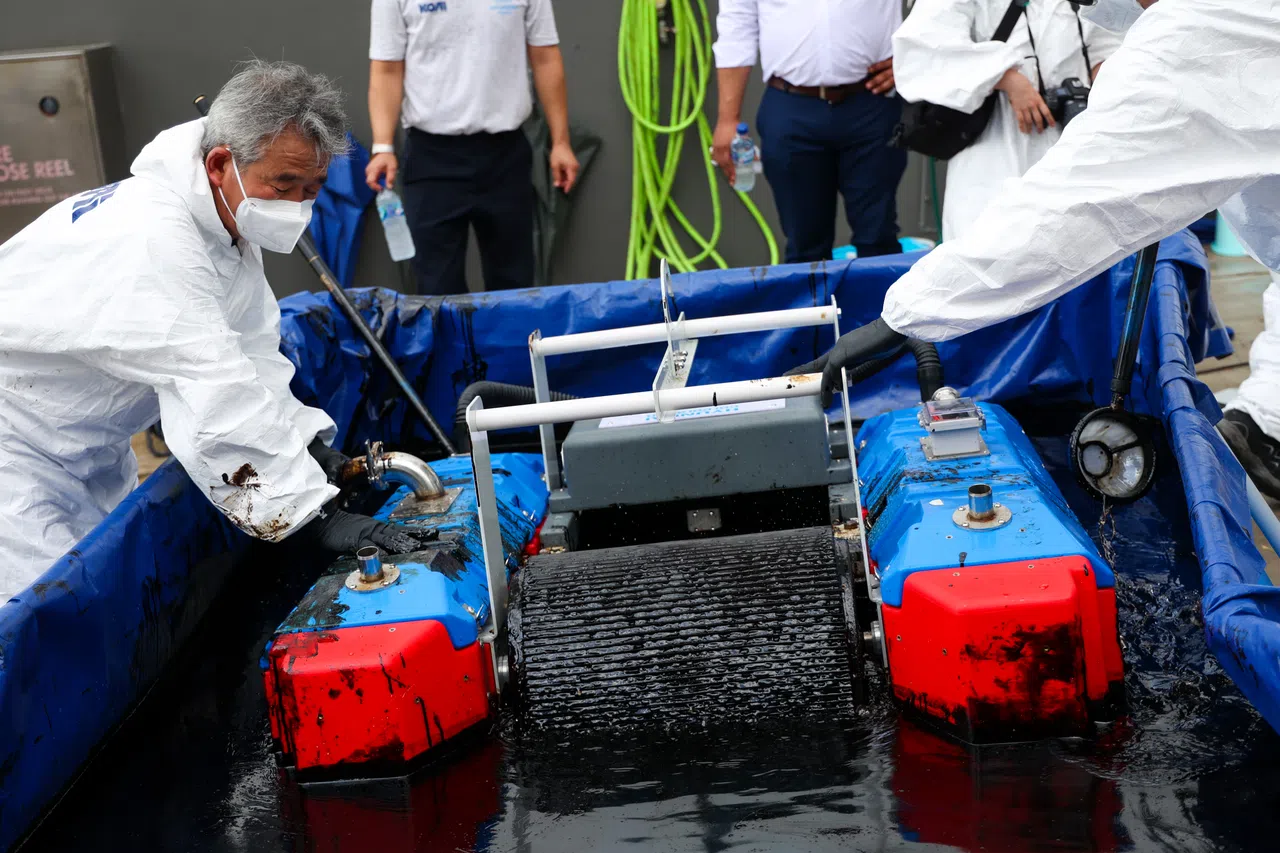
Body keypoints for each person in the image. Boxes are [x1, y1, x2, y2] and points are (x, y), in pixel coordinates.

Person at [801, 0, 1280, 496]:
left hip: (1059, 181)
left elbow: (1079, 201)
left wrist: (903, 315)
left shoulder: (1206, 26)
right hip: (1006, 164)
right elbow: (925, 54)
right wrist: (1008, 76)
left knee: (1042, 273)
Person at [0, 61, 433, 598]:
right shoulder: (156, 241)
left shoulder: (220, 225)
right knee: (43, 622)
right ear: (220, 163)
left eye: (312, 188)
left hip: (81, 446)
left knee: (100, 599)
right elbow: (213, 394)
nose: (297, 205)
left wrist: (307, 448)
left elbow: (253, 356)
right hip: (14, 451)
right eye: (284, 184)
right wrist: (310, 518)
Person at [366, 0, 579, 295]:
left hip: (505, 154)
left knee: (514, 284)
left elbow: (545, 57)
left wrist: (561, 142)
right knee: (436, 291)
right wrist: (383, 146)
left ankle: (514, 343)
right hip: (431, 157)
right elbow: (386, 69)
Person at [893, 0, 1121, 241]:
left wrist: (1105, 77)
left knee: (1071, 242)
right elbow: (923, 45)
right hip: (994, 142)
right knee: (989, 239)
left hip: (1069, 138)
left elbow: (1107, 42)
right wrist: (1006, 78)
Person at [711, 0, 907, 263]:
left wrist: (913, 53)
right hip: (790, 108)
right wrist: (727, 119)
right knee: (805, 247)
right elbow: (737, 23)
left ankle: (884, 305)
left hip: (872, 101)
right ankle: (814, 303)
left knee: (878, 239)